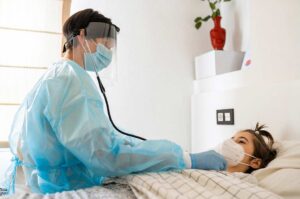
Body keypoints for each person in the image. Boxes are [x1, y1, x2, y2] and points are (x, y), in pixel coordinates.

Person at [5, 9, 226, 195]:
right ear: (82, 37)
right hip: (61, 186)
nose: (108, 54)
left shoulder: (59, 75)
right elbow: (104, 155)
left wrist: (134, 145)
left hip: (47, 182)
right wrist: (183, 157)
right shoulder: (69, 81)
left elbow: (99, 138)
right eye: (105, 46)